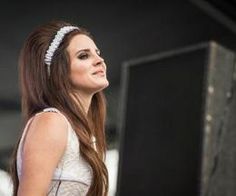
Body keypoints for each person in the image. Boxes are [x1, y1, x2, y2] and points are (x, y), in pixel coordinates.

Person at [9, 20, 109, 196]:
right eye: (84, 56)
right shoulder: (52, 121)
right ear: (58, 70)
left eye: (97, 53)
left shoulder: (84, 134)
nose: (99, 60)